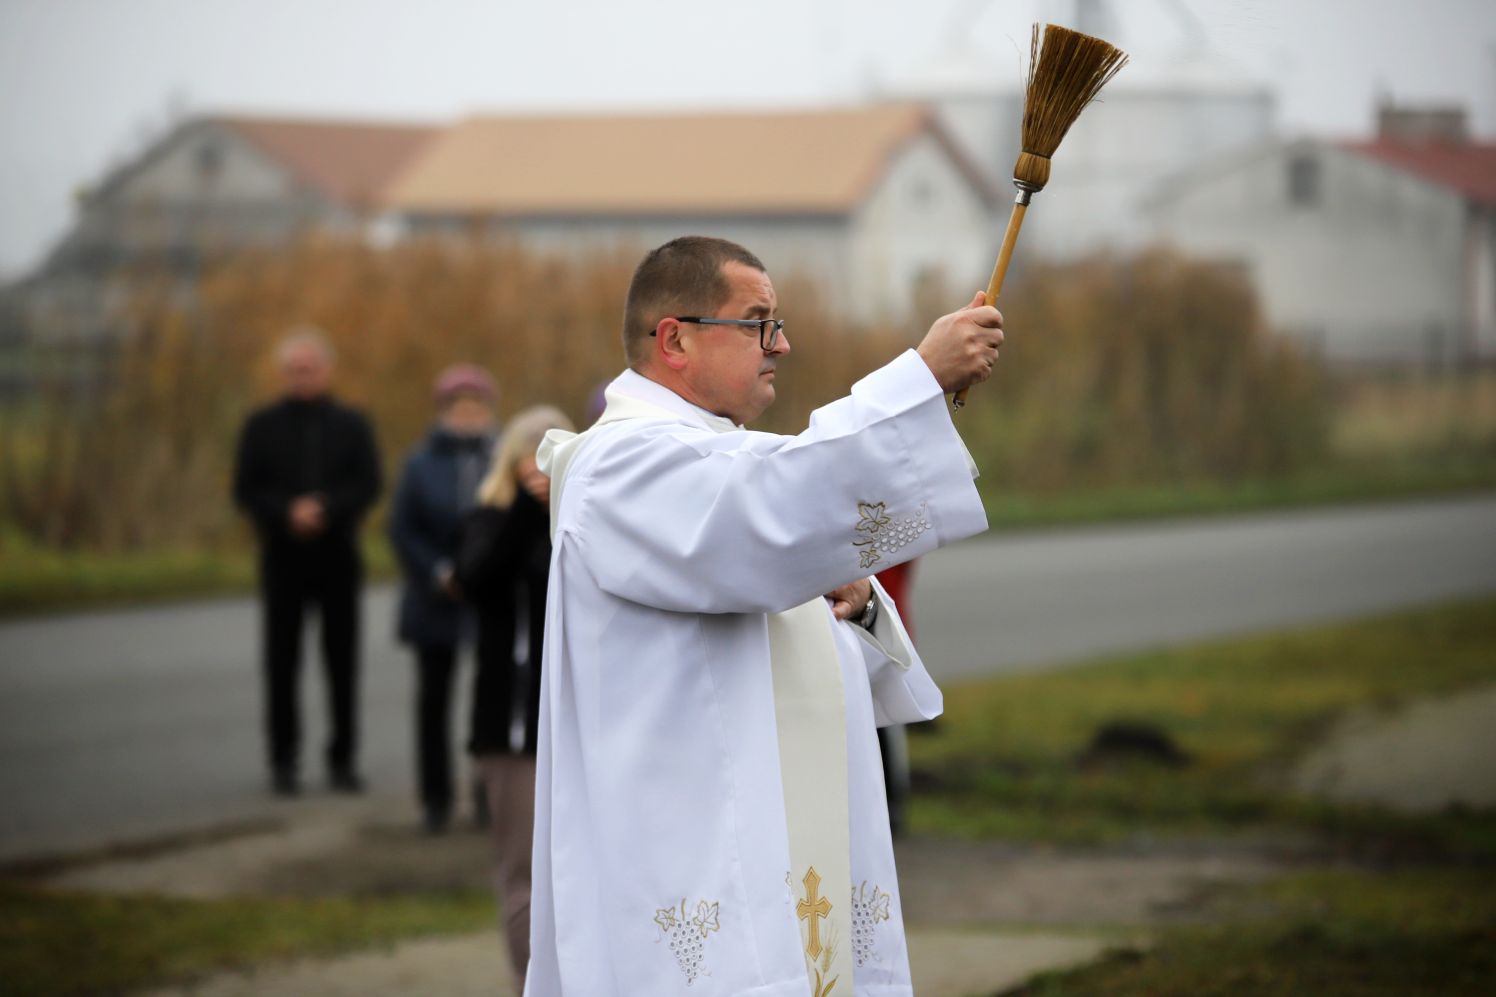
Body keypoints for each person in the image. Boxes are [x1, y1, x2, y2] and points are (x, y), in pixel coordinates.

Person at [528, 236, 1002, 995]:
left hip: (781, 848)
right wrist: (919, 376)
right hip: (694, 857)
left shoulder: (717, 455)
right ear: (674, 338)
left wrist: (856, 599)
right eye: (758, 322)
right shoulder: (619, 463)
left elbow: (771, 530)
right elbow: (769, 503)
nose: (782, 344)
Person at [232, 327, 382, 796]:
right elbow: (245, 489)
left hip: (338, 557)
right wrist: (286, 511)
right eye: (294, 370)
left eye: (310, 369)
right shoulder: (261, 425)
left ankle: (342, 760)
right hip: (282, 559)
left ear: (326, 371)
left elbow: (370, 483)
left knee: (342, 664)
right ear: (283, 374)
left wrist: (328, 508)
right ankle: (283, 762)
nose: (303, 377)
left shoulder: (353, 424)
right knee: (281, 663)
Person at [455, 405, 574, 989]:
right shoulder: (491, 519)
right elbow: (474, 579)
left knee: (578, 867)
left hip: (574, 721)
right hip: (509, 725)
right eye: (529, 457)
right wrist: (527, 512)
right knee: (523, 871)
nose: (538, 472)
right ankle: (530, 982)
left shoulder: (580, 520)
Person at [389, 364, 499, 833]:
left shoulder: (502, 458)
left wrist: (480, 571)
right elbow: (402, 527)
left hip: (489, 599)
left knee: (489, 700)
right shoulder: (419, 463)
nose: (469, 415)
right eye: (460, 407)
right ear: (444, 411)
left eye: (477, 407)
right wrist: (439, 572)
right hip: (434, 601)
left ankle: (487, 797)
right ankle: (434, 800)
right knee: (433, 702)